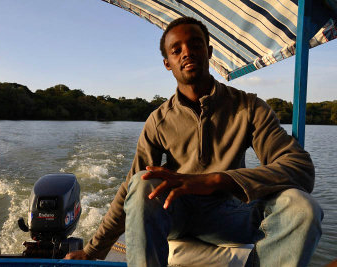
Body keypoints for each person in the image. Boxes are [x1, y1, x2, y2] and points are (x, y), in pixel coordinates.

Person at [65, 17, 323, 266]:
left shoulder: (248, 107)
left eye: (195, 44)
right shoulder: (158, 120)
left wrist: (216, 180)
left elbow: (299, 168)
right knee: (142, 183)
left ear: (209, 52)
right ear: (168, 63)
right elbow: (130, 190)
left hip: (232, 214)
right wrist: (92, 250)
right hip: (177, 216)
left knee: (302, 208)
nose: (187, 52)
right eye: (176, 50)